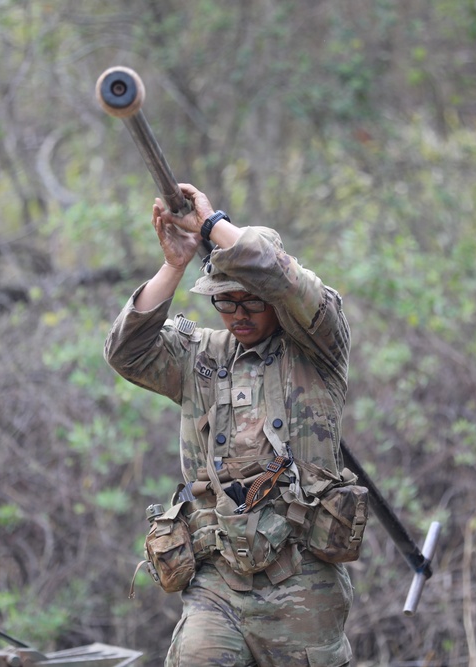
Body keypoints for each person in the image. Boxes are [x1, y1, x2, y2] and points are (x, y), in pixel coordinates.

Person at [104, 183, 357, 666]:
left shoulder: (320, 348)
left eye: (251, 302)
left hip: (303, 584)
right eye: (225, 302)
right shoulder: (199, 355)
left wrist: (211, 224)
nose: (237, 314)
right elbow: (126, 352)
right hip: (218, 581)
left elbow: (283, 277)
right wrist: (176, 262)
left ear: (276, 302)